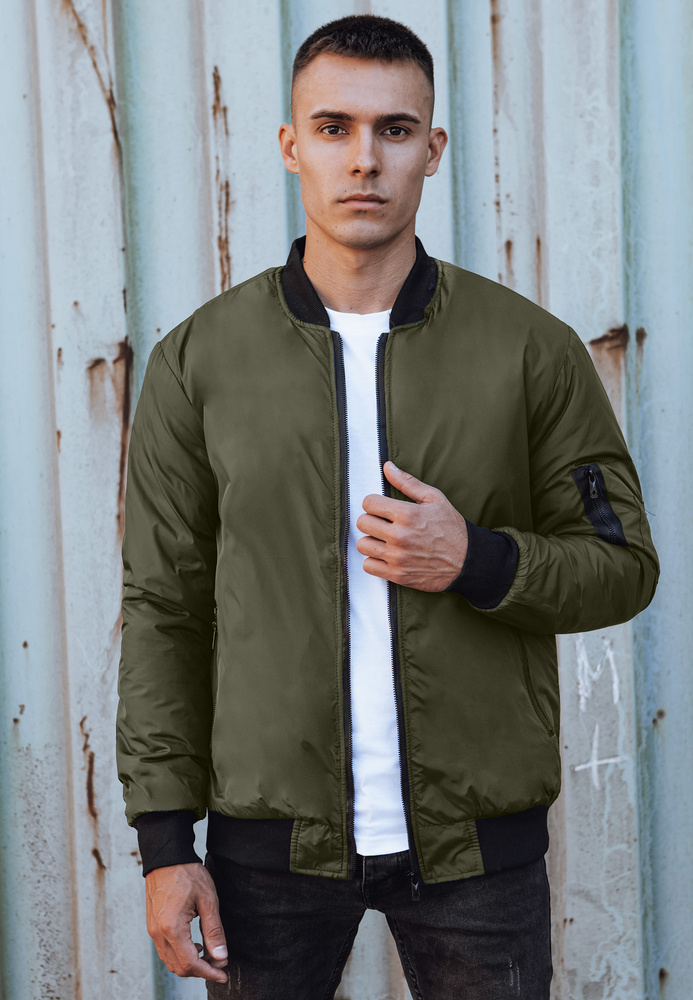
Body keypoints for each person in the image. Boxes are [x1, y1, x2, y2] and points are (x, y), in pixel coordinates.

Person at [116, 13, 659, 999]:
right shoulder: (200, 361)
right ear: (291, 146)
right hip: (265, 850)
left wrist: (478, 559)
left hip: (475, 851)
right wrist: (164, 844)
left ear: (432, 149)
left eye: (394, 130)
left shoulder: (528, 350)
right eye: (334, 128)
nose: (364, 159)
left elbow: (622, 564)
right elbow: (164, 607)